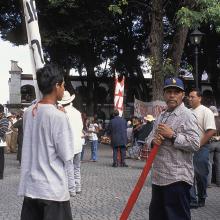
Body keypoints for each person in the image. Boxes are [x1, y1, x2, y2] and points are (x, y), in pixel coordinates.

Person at [18, 64, 74, 220]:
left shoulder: (29, 112)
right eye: (63, 85)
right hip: (52, 190)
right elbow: (67, 153)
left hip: (31, 188)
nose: (64, 89)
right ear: (57, 86)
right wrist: (66, 120)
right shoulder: (58, 116)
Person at [146, 77, 200, 220]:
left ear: (182, 95)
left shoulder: (188, 115)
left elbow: (195, 144)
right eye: (169, 91)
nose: (172, 95)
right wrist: (153, 141)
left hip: (177, 179)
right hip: (158, 178)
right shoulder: (161, 116)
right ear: (164, 94)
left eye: (176, 92)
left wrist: (173, 136)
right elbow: (148, 139)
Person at [188, 89, 216, 208]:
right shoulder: (187, 112)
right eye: (189, 97)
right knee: (189, 174)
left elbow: (211, 130)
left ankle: (202, 196)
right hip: (188, 148)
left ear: (200, 98)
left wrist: (198, 144)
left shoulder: (206, 111)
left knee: (200, 174)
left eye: (192, 97)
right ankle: (192, 200)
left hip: (202, 147)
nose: (189, 99)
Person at [58, 90, 84, 196]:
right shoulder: (77, 112)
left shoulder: (62, 113)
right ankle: (78, 187)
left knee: (68, 167)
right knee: (77, 167)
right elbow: (81, 127)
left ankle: (71, 190)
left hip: (69, 144)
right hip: (78, 143)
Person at [208, 105, 220, 187]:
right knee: (219, 163)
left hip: (211, 143)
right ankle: (219, 182)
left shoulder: (209, 120)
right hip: (219, 143)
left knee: (209, 163)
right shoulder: (219, 120)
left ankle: (208, 183)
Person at [0, 104, 9, 180]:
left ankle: (0, 174)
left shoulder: (4, 119)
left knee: (0, 158)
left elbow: (3, 131)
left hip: (0, 141)